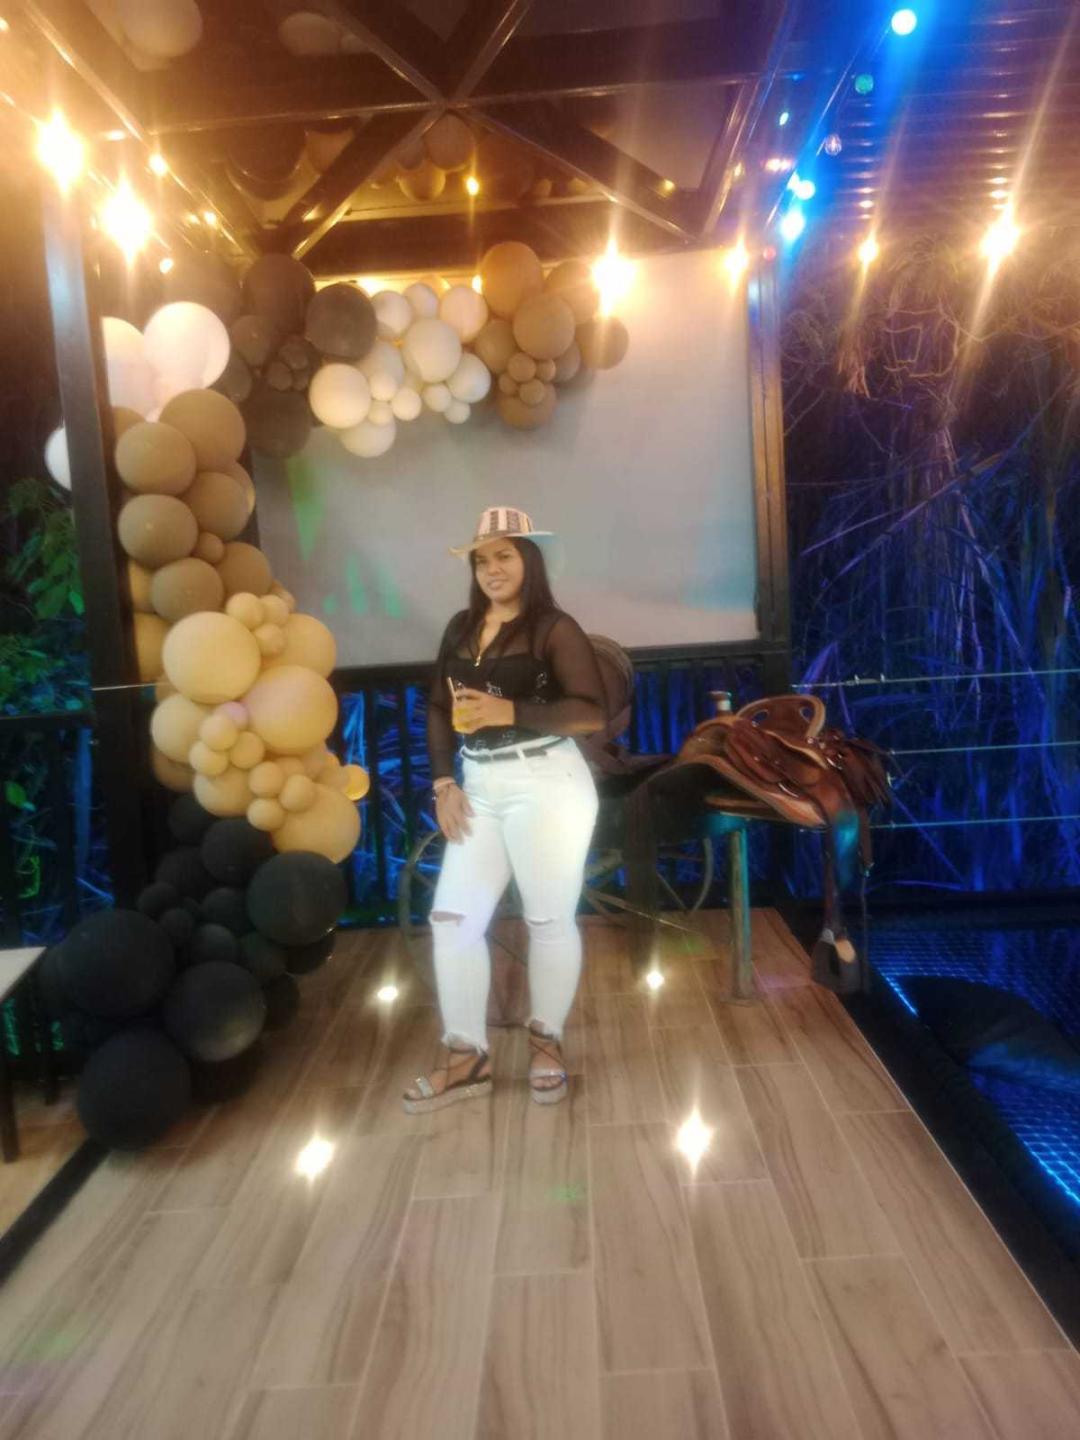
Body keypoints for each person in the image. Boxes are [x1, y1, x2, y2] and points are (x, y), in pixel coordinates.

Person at [403, 506, 605, 1113]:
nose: (492, 569)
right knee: (452, 921)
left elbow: (590, 712)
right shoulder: (461, 627)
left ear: (528, 560)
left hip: (547, 782)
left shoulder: (553, 628)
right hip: (478, 785)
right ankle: (467, 1057)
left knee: (547, 920)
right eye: (481, 560)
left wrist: (509, 711)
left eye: (505, 556)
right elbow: (438, 706)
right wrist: (444, 783)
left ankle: (546, 1043)